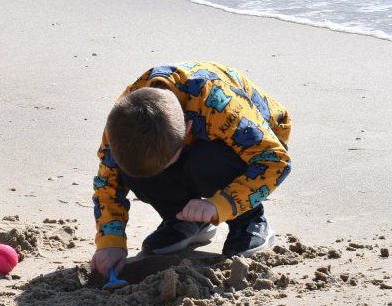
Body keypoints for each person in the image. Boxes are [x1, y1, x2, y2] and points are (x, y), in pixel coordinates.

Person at [90, 61, 292, 276]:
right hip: (184, 142)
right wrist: (111, 242)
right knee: (134, 171)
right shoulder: (123, 119)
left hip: (255, 140)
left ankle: (248, 220)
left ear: (187, 130)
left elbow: (275, 160)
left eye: (165, 167)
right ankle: (186, 220)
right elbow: (108, 184)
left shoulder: (216, 102)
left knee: (209, 162)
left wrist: (221, 205)